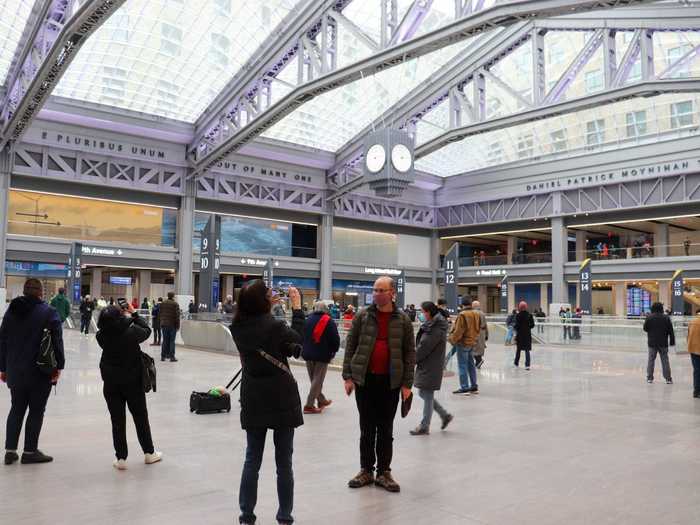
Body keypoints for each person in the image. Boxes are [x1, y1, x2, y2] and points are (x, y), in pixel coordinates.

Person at [229, 281, 304, 525]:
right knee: (284, 464)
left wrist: (267, 309)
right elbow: (298, 339)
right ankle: (284, 517)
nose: (273, 296)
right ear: (263, 301)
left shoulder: (237, 327)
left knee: (252, 459)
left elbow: (279, 341)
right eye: (269, 294)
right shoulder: (275, 325)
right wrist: (297, 307)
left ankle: (246, 516)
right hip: (281, 397)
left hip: (254, 396)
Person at [343, 276, 415, 493]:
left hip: (390, 382)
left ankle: (384, 471)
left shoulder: (402, 320)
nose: (376, 294)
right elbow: (351, 345)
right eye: (374, 290)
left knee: (385, 428)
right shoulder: (362, 316)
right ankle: (366, 469)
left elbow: (410, 353)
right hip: (365, 380)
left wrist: (407, 384)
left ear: (392, 292)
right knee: (366, 428)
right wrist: (348, 376)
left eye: (381, 290)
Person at [0, 278, 65, 465]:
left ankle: (10, 451)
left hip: (15, 370)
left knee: (16, 409)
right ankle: (29, 452)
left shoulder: (11, 311)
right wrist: (58, 366)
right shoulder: (48, 312)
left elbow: (2, 341)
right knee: (36, 411)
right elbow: (57, 342)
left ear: (24, 291)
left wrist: (3, 368)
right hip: (40, 371)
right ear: (40, 292)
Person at [96, 303, 161, 470]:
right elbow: (147, 330)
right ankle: (149, 453)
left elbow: (112, 330)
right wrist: (133, 313)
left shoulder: (101, 336)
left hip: (111, 384)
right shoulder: (132, 332)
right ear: (120, 316)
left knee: (117, 420)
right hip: (133, 383)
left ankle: (121, 458)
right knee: (140, 417)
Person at [410, 301, 453, 436]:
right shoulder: (434, 324)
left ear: (429, 312)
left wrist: (413, 360)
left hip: (430, 363)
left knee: (426, 394)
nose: (421, 315)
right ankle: (444, 415)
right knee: (424, 393)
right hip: (429, 362)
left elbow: (425, 347)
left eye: (422, 312)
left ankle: (425, 425)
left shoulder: (435, 327)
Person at [302, 300, 339, 414]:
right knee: (317, 380)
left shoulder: (307, 320)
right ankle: (309, 405)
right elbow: (335, 339)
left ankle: (321, 400)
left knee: (314, 379)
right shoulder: (328, 321)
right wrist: (334, 351)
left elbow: (302, 336)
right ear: (325, 309)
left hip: (308, 354)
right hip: (322, 354)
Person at [448, 297, 481, 395]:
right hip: (472, 342)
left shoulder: (462, 314)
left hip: (462, 343)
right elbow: (478, 328)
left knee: (462, 365)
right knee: (471, 365)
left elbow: (459, 331)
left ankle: (464, 387)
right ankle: (474, 386)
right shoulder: (476, 313)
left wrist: (452, 340)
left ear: (462, 304)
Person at [642, 302, 675, 384]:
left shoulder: (649, 317)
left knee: (651, 360)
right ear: (661, 308)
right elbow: (671, 331)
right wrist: (672, 341)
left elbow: (645, 328)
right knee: (665, 360)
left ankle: (650, 378)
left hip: (652, 343)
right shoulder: (666, 318)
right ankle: (668, 379)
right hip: (663, 343)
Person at [159, 292, 181, 362]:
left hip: (164, 324)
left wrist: (161, 322)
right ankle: (172, 357)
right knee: (172, 341)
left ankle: (163, 356)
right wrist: (178, 326)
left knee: (165, 340)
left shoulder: (163, 303)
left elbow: (160, 314)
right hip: (172, 325)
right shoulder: (175, 304)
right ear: (173, 296)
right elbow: (177, 316)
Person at [514, 301, 535, 369]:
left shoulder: (518, 315)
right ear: (526, 307)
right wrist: (528, 327)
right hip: (527, 335)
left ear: (520, 307)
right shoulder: (530, 315)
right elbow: (532, 325)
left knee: (518, 349)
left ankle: (516, 363)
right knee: (527, 350)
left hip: (520, 335)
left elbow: (516, 326)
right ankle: (527, 365)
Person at [686, 311, 700, 398]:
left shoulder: (692, 322)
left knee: (697, 370)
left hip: (693, 349)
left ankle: (696, 391)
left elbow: (688, 336)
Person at [472, 300, 488, 369]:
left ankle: (479, 360)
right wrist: (487, 335)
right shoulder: (482, 313)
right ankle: (478, 363)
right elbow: (485, 325)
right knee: (479, 348)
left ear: (473, 306)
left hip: (474, 333)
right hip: (482, 333)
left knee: (473, 349)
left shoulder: (472, 313)